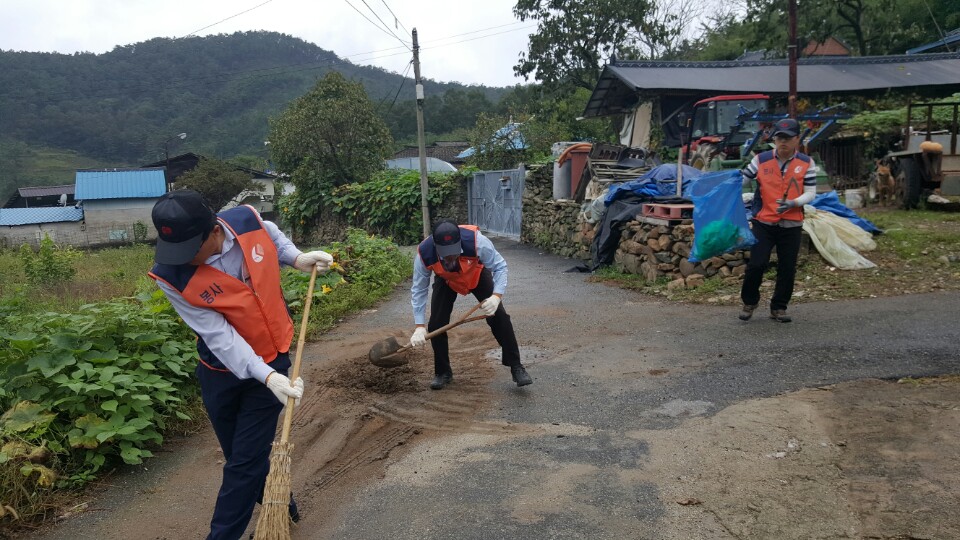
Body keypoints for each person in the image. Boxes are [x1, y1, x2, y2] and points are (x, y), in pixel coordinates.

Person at [147, 190, 332, 540]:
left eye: (190, 249)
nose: (183, 259)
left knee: (243, 466)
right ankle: (283, 503)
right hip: (220, 371)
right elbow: (219, 337)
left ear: (215, 231)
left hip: (272, 355)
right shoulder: (171, 275)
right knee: (239, 453)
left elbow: (272, 235)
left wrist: (296, 257)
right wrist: (266, 378)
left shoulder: (247, 220)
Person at [410, 219, 533, 389]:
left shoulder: (477, 242)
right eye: (444, 253)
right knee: (436, 324)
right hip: (446, 280)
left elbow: (500, 266)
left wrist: (496, 297)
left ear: (459, 241)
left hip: (476, 274)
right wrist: (419, 326)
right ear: (435, 245)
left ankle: (516, 366)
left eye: (453, 251)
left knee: (499, 317)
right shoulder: (424, 253)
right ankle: (443, 372)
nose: (450, 257)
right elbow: (419, 289)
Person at [739, 118, 818, 323]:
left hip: (791, 223)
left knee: (787, 267)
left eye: (788, 138)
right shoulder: (761, 159)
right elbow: (742, 180)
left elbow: (811, 193)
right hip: (764, 222)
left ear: (797, 139)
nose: (783, 142)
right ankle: (749, 302)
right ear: (774, 139)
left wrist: (794, 202)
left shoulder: (806, 163)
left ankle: (779, 307)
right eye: (779, 138)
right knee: (756, 264)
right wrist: (723, 190)